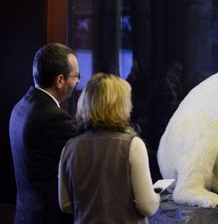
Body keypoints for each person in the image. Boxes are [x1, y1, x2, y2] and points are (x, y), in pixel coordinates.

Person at [58, 73, 160, 224]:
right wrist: (156, 197)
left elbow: (65, 205)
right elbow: (147, 207)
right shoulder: (133, 145)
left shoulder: (69, 148)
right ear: (120, 105)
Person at [9, 43, 80, 224]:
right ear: (60, 80)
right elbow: (90, 153)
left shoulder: (21, 106)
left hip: (25, 215)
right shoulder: (54, 119)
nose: (78, 81)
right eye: (76, 76)